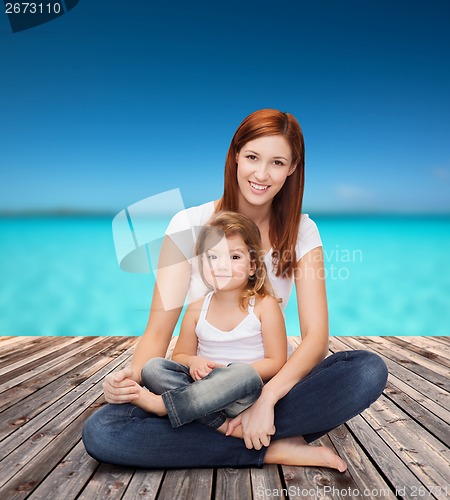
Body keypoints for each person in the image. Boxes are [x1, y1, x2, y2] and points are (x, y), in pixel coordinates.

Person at [82, 109, 388, 471]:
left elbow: (316, 339)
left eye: (277, 162)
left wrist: (267, 400)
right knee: (103, 430)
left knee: (367, 369)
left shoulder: (304, 233)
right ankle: (267, 447)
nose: (261, 174)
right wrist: (129, 384)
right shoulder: (187, 225)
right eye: (253, 157)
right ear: (235, 156)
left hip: (262, 387)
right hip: (196, 390)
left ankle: (234, 432)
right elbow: (159, 332)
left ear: (292, 168)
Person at [135, 211, 288, 433]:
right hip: (202, 392)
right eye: (213, 257)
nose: (222, 265)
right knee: (153, 368)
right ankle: (219, 424)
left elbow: (276, 361)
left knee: (244, 374)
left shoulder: (265, 306)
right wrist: (194, 361)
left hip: (242, 395)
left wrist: (226, 373)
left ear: (253, 266)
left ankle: (164, 407)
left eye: (235, 257)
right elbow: (179, 356)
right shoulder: (196, 309)